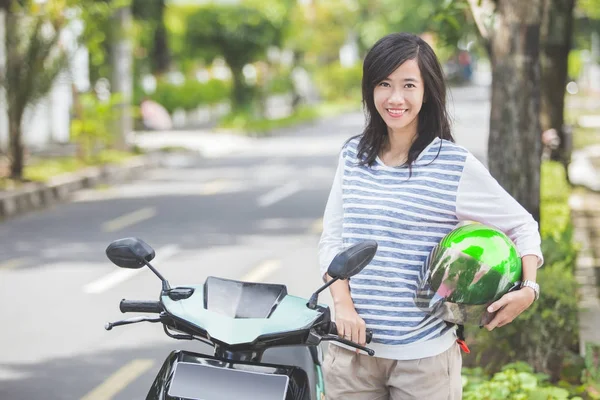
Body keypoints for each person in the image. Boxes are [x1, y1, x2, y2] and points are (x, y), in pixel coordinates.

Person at [318, 32, 543, 400]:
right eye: (384, 84)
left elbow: (522, 225)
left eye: (409, 85)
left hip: (424, 361)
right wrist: (343, 305)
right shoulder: (353, 156)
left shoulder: (451, 164)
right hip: (350, 357)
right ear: (370, 89)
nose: (395, 98)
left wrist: (528, 290)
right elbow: (333, 240)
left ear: (428, 91)